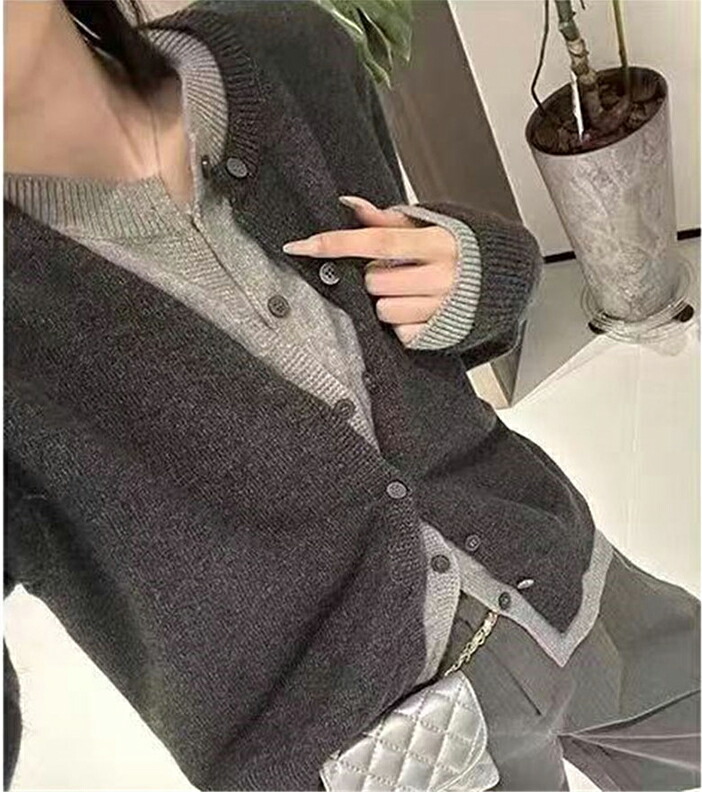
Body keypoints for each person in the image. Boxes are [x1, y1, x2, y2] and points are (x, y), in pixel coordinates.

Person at [4, 1, 699, 790]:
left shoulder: (290, 52)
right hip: (384, 765)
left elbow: (435, 324)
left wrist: (475, 271)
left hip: (565, 579)